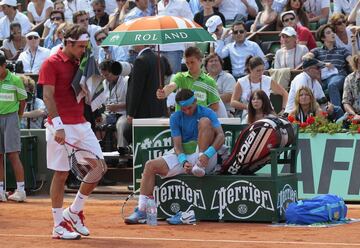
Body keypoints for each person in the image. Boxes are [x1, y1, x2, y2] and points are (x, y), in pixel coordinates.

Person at [38, 24, 107, 240]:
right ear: (68, 43)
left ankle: (74, 211)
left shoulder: (84, 62)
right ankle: (58, 224)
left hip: (81, 123)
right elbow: (47, 96)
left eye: (86, 46)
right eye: (80, 46)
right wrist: (57, 125)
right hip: (60, 126)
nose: (83, 50)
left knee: (99, 168)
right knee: (61, 174)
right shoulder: (50, 63)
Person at [125, 88, 225, 224]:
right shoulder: (175, 117)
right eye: (183, 109)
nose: (187, 111)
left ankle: (200, 164)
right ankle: (142, 210)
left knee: (205, 121)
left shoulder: (208, 113)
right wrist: (183, 162)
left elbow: (220, 136)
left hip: (206, 157)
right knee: (150, 166)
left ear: (195, 102)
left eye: (189, 108)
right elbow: (177, 146)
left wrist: (206, 155)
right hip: (186, 156)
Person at [157, 46, 220, 114]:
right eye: (187, 63)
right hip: (181, 121)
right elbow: (171, 86)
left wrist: (200, 114)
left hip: (199, 122)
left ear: (200, 61)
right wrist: (163, 92)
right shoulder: (180, 76)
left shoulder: (209, 81)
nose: (189, 65)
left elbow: (215, 106)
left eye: (192, 62)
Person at [0, 54, 27, 202]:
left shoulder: (16, 80)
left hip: (11, 117)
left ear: (4, 66)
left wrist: (18, 117)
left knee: (12, 154)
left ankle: (21, 190)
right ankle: (0, 191)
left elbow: (22, 101)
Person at [307, 24, 353, 108]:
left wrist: (354, 45)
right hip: (323, 79)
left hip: (339, 76)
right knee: (310, 86)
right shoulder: (317, 50)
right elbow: (306, 58)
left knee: (332, 84)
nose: (332, 34)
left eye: (332, 32)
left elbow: (352, 61)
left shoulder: (342, 50)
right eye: (328, 33)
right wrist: (323, 64)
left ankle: (337, 112)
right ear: (322, 38)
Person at [230, 56, 288, 122]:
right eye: (258, 70)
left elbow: (284, 93)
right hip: (249, 115)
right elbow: (233, 102)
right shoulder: (241, 82)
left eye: (262, 70)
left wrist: (283, 109)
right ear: (250, 69)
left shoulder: (268, 80)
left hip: (267, 113)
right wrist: (248, 106)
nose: (261, 73)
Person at [98, 60, 130, 152]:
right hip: (109, 114)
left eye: (107, 75)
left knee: (121, 124)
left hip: (124, 113)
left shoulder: (126, 81)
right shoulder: (104, 83)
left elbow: (132, 104)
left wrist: (118, 107)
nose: (105, 77)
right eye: (103, 75)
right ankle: (100, 150)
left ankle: (122, 154)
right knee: (97, 120)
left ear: (114, 71)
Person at [157, 0, 193, 74]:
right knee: (160, 78)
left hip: (175, 47)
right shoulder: (158, 4)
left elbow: (189, 22)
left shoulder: (182, 3)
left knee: (174, 78)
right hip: (159, 48)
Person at [204, 53, 236, 117]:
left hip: (226, 113)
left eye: (216, 60)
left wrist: (207, 101)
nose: (214, 63)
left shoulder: (228, 77)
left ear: (221, 64)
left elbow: (229, 96)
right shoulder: (202, 79)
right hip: (206, 112)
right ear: (206, 66)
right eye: (211, 61)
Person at [342, 54, 360, 120]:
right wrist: (354, 115)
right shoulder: (349, 78)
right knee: (338, 124)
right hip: (354, 114)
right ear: (356, 65)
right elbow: (346, 102)